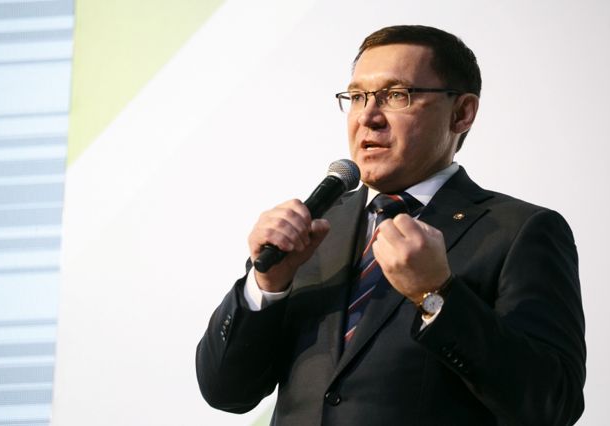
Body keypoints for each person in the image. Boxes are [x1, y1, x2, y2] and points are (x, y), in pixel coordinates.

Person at [196, 25, 586, 425]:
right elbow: (226, 391)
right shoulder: (312, 231)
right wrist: (266, 286)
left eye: (397, 95)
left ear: (461, 113)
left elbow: (553, 403)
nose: (368, 117)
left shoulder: (520, 231)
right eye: (357, 97)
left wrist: (436, 295)